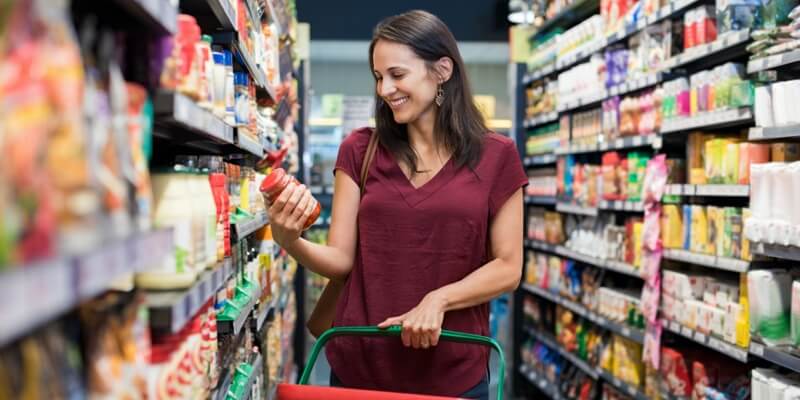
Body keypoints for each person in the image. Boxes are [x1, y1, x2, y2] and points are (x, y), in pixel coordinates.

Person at [264, 9, 526, 399]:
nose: (385, 89)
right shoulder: (360, 149)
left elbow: (508, 266)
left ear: (442, 71)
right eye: (378, 77)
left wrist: (439, 299)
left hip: (453, 371)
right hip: (361, 368)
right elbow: (341, 259)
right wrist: (291, 241)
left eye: (397, 75)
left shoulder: (496, 155)